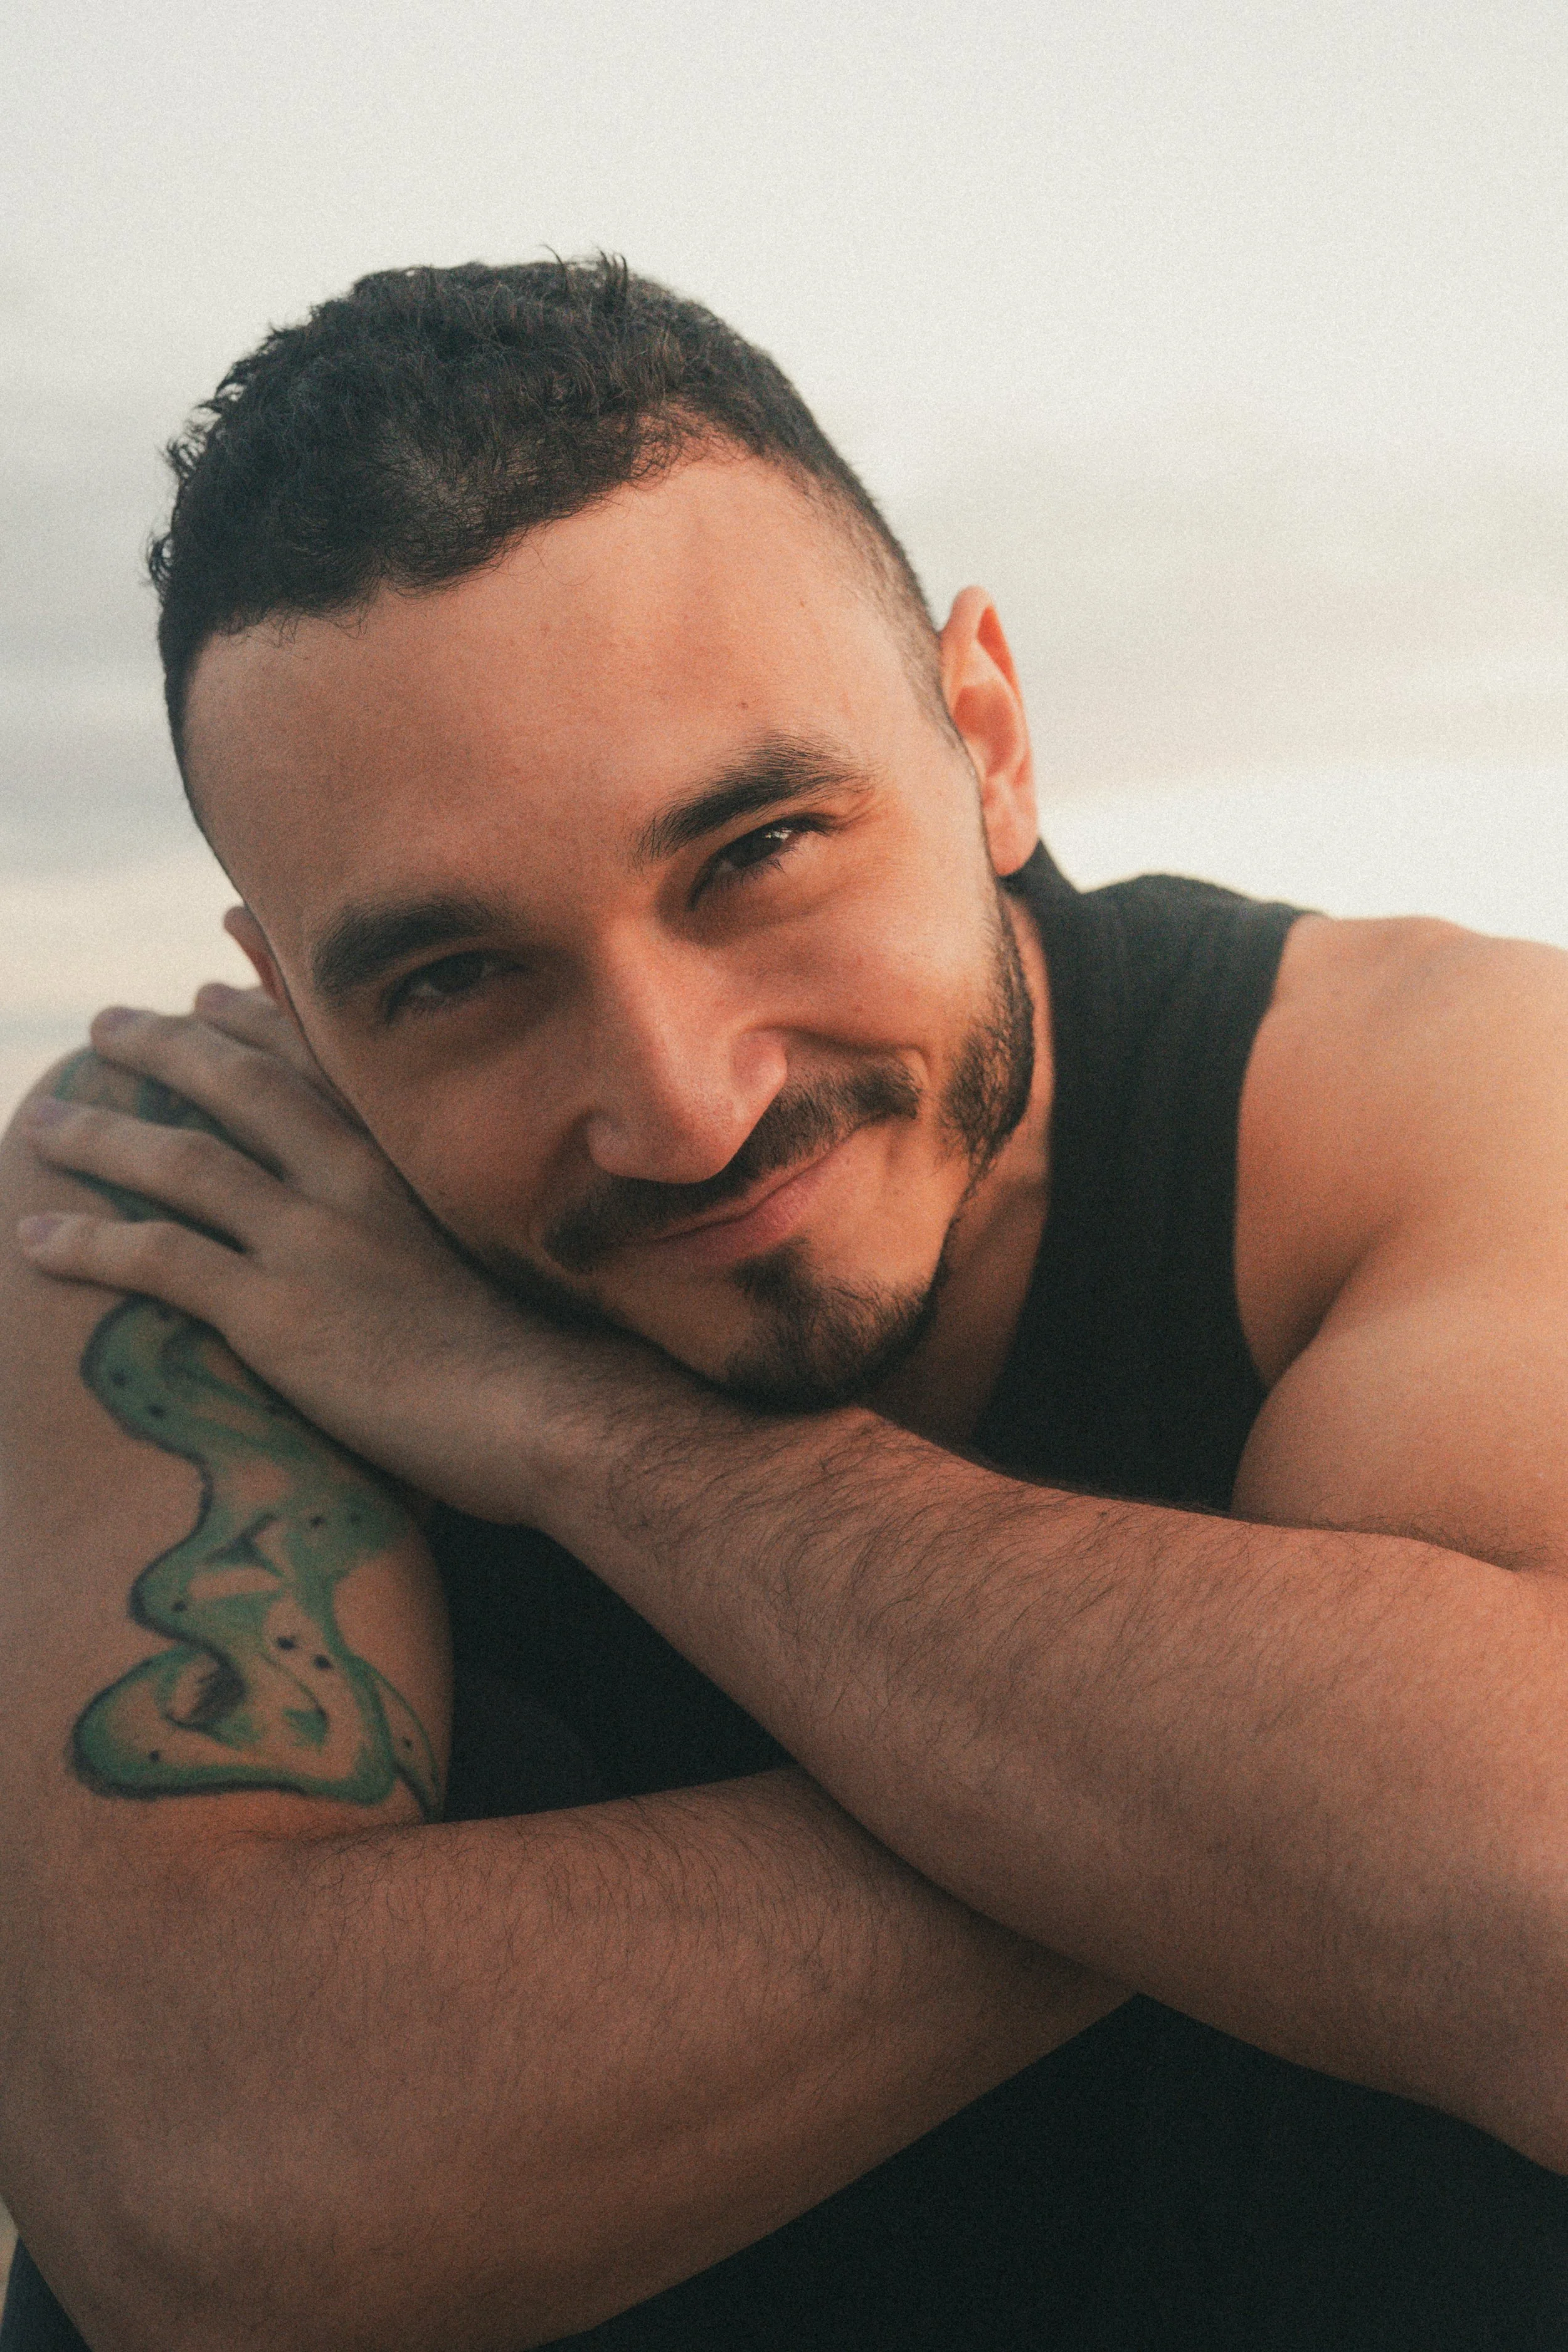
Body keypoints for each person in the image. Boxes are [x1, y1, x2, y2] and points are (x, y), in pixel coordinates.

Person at [3, 258, 1567, 2352]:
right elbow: (222, 2203)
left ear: (986, 742)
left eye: (751, 851)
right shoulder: (190, 1203)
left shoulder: (1433, 1088)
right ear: (291, 998)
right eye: (455, 977)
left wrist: (582, 1437)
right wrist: (1313, 1819)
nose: (677, 1103)